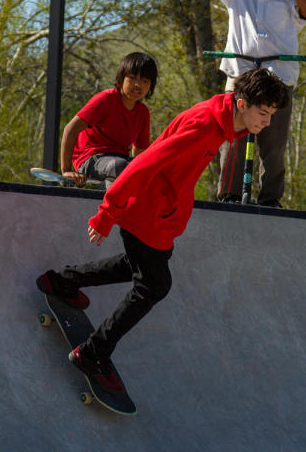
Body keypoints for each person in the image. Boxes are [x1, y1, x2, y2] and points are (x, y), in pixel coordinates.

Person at [37, 68, 290, 397]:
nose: (267, 122)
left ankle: (61, 282)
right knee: (154, 285)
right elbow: (143, 164)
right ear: (241, 104)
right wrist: (107, 212)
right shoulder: (204, 126)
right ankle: (93, 353)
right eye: (263, 113)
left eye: (271, 114)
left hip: (161, 214)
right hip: (146, 211)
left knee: (136, 265)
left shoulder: (222, 120)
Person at [207, 0, 306, 207]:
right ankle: (229, 196)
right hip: (241, 74)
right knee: (232, 138)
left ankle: (269, 199)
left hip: (278, 77)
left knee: (274, 142)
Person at [60, 52, 157, 187]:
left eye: (144, 81)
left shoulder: (143, 113)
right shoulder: (105, 100)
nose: (137, 84)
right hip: (91, 159)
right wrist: (66, 171)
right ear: (121, 78)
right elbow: (70, 130)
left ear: (150, 86)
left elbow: (140, 151)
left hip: (120, 163)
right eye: (132, 78)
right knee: (120, 166)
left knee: (151, 172)